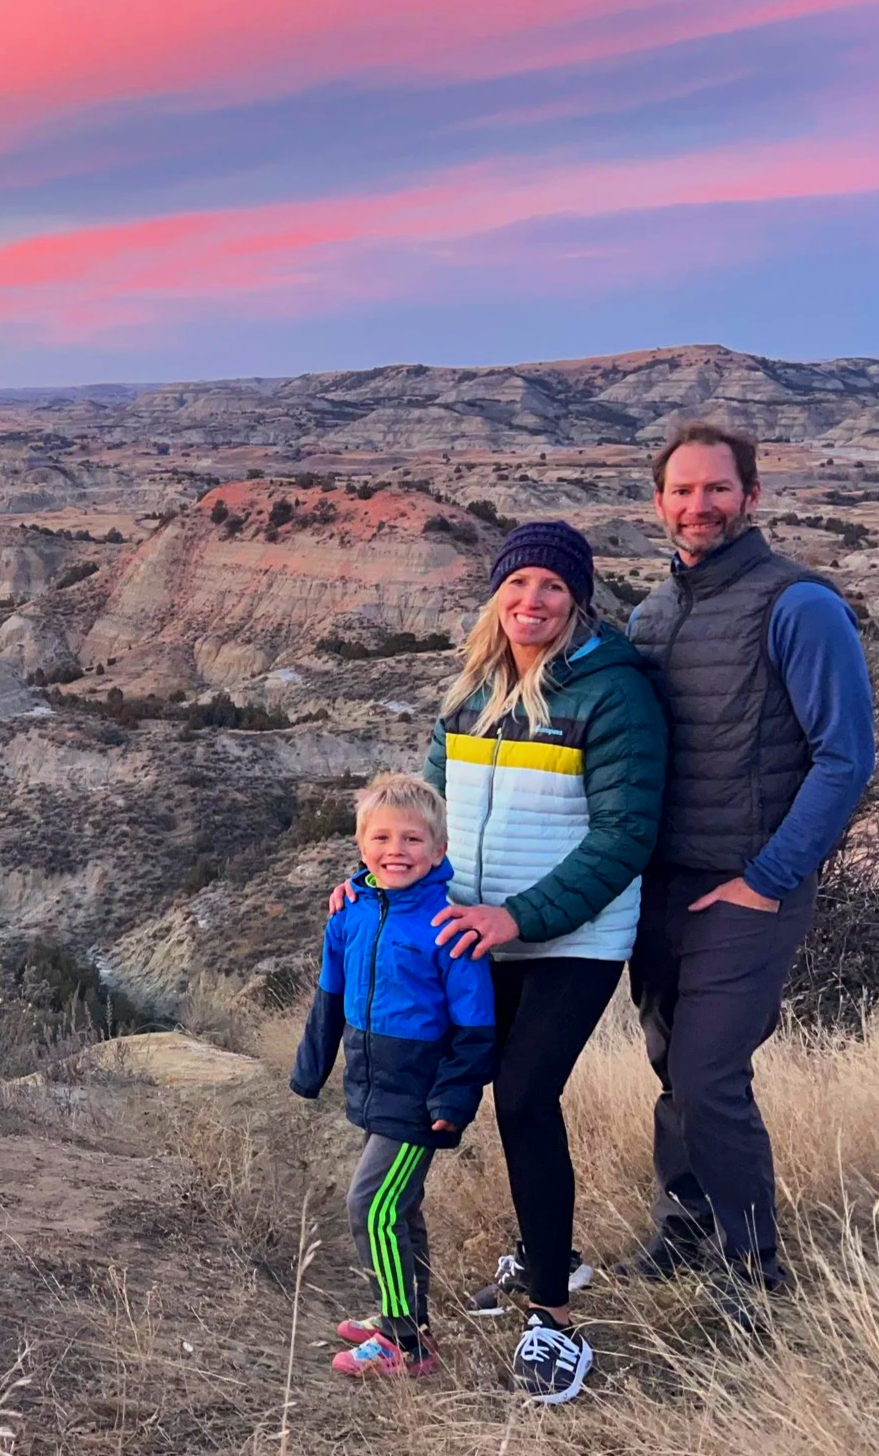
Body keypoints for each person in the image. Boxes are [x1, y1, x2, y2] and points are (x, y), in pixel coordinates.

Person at [333, 519, 665, 1403]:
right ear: (496, 595)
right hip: (472, 936)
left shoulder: (613, 694)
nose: (532, 602)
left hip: (570, 940)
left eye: (551, 588)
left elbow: (624, 837)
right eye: (517, 586)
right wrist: (374, 885)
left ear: (577, 597)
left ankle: (553, 1319)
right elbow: (427, 826)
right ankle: (496, 1273)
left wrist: (514, 917)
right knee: (461, 1094)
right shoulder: (470, 690)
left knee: (522, 1097)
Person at [622, 422, 875, 1314]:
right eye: (681, 492)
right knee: (668, 1065)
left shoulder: (796, 605)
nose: (699, 506)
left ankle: (752, 1272)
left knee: (707, 1076)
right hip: (661, 885)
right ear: (659, 505)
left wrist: (769, 877)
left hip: (749, 885)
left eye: (716, 489)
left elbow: (845, 757)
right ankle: (685, 1229)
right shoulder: (649, 615)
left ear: (751, 496)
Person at [293, 773, 496, 1381]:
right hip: (372, 1083)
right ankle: (410, 1322)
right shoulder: (350, 913)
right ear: (361, 847)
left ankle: (402, 1343)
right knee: (400, 1209)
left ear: (438, 851)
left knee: (371, 1207)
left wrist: (454, 1097)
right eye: (381, 837)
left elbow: (476, 1026)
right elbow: (328, 997)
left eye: (412, 839)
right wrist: (310, 1071)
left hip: (420, 1094)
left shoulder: (447, 925)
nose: (396, 850)